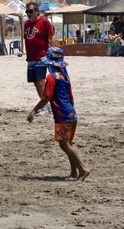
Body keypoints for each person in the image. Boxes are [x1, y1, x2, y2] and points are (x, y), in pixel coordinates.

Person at [26, 47, 89, 180]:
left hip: (63, 115)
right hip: (72, 114)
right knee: (69, 143)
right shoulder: (65, 76)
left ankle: (83, 169)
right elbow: (71, 98)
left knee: (64, 144)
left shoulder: (52, 77)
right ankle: (74, 172)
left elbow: (46, 97)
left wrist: (34, 110)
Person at [23, 1, 54, 99]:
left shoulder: (44, 22)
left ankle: (47, 105)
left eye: (31, 11)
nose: (28, 14)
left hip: (41, 57)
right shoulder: (26, 24)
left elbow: (51, 38)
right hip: (30, 58)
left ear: (37, 11)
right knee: (36, 82)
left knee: (41, 81)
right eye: (27, 11)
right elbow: (26, 38)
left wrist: (53, 54)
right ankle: (43, 104)